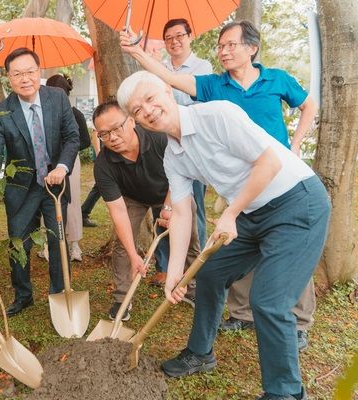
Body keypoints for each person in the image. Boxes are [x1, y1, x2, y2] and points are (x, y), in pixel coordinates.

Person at [117, 70, 330, 400]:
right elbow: (183, 212)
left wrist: (230, 213)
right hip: (252, 213)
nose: (147, 109)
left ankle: (285, 393)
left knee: (269, 303)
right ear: (135, 120)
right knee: (211, 273)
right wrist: (176, 273)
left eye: (149, 98)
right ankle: (201, 353)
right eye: (136, 109)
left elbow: (269, 162)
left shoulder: (216, 114)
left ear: (167, 90)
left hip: (296, 203)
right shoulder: (173, 156)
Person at [121, 20, 319, 349]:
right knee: (226, 257)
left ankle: (297, 323)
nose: (224, 51)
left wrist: (296, 144)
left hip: (279, 176)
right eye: (220, 46)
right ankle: (239, 315)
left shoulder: (276, 79)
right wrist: (136, 51)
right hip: (242, 186)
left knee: (285, 267)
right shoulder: (215, 87)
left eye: (232, 45)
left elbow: (307, 105)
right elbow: (167, 81)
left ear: (252, 48)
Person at [0, 48, 80, 317]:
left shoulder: (57, 98)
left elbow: (72, 137)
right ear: (9, 78)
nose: (25, 79)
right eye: (18, 74)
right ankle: (23, 295)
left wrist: (61, 166)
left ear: (39, 71)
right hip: (20, 188)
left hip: (54, 184)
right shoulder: (1, 111)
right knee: (18, 243)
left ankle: (59, 293)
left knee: (58, 240)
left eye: (30, 72)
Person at [92, 100, 200, 320]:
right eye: (104, 134)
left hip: (173, 190)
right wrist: (134, 255)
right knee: (123, 243)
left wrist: (169, 207)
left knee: (189, 238)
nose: (112, 137)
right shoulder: (103, 164)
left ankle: (193, 288)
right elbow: (118, 212)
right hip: (133, 197)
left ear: (131, 121)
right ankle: (122, 298)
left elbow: (182, 174)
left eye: (116, 129)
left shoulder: (159, 138)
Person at [149, 18, 213, 287]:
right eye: (169, 38)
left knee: (190, 205)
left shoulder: (202, 68)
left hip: (190, 142)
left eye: (179, 36)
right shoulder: (158, 68)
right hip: (160, 143)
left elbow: (197, 101)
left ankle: (195, 266)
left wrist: (170, 90)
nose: (174, 41)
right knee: (162, 206)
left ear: (190, 36)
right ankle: (163, 265)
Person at [45, 74, 91, 262]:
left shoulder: (74, 114)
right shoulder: (43, 114)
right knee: (47, 202)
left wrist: (68, 151)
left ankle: (74, 245)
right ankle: (49, 244)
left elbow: (85, 141)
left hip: (69, 162)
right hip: (47, 162)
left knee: (70, 202)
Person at [80, 130, 101, 228]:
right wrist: (98, 154)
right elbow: (95, 133)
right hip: (104, 154)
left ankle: (83, 213)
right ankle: (83, 213)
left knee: (99, 187)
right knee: (100, 186)